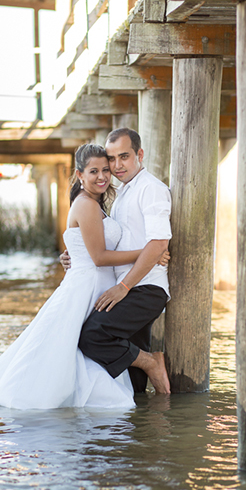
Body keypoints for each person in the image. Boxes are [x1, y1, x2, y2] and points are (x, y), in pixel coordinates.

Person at [0, 143, 169, 409]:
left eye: (106, 169)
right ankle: (145, 369)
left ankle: (139, 381)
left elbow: (90, 247)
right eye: (94, 171)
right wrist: (148, 253)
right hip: (88, 285)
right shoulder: (86, 204)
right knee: (75, 341)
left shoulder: (98, 202)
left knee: (78, 343)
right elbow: (99, 257)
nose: (103, 176)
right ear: (80, 175)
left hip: (97, 284)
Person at [64, 127, 172, 395]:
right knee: (133, 386)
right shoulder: (121, 193)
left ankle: (152, 363)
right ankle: (154, 420)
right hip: (126, 286)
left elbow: (158, 243)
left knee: (92, 335)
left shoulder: (151, 189)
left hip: (144, 288)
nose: (116, 165)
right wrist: (75, 254)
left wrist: (123, 287)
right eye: (111, 159)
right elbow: (111, 242)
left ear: (140, 154)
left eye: (124, 156)